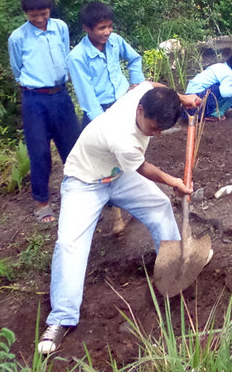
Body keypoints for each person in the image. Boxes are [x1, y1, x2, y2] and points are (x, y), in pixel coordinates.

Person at [37, 82, 201, 355]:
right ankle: (61, 318)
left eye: (162, 129)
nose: (156, 134)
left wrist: (182, 98)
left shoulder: (142, 96)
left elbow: (149, 83)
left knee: (159, 205)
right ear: (139, 111)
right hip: (85, 180)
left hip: (118, 175)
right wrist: (175, 182)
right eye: (152, 128)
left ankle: (174, 264)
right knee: (70, 244)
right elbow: (144, 168)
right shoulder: (120, 135)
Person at [8, 0, 80, 224]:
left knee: (73, 147)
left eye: (43, 13)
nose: (39, 19)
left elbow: (64, 57)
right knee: (39, 152)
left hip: (61, 96)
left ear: (50, 9)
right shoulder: (18, 37)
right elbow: (18, 69)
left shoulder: (60, 28)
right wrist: (35, 84)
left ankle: (82, 194)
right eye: (33, 15)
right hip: (34, 100)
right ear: (26, 13)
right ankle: (42, 202)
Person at [67, 2, 144, 126]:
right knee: (103, 144)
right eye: (102, 28)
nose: (108, 32)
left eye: (110, 26)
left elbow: (134, 59)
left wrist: (136, 83)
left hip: (123, 103)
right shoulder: (77, 57)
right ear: (86, 28)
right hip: (99, 112)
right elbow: (87, 97)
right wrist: (103, 122)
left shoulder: (115, 40)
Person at [184, 53, 232, 120]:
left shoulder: (220, 66)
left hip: (189, 98)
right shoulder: (228, 74)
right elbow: (225, 92)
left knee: (231, 87)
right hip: (196, 101)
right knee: (230, 89)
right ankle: (214, 114)